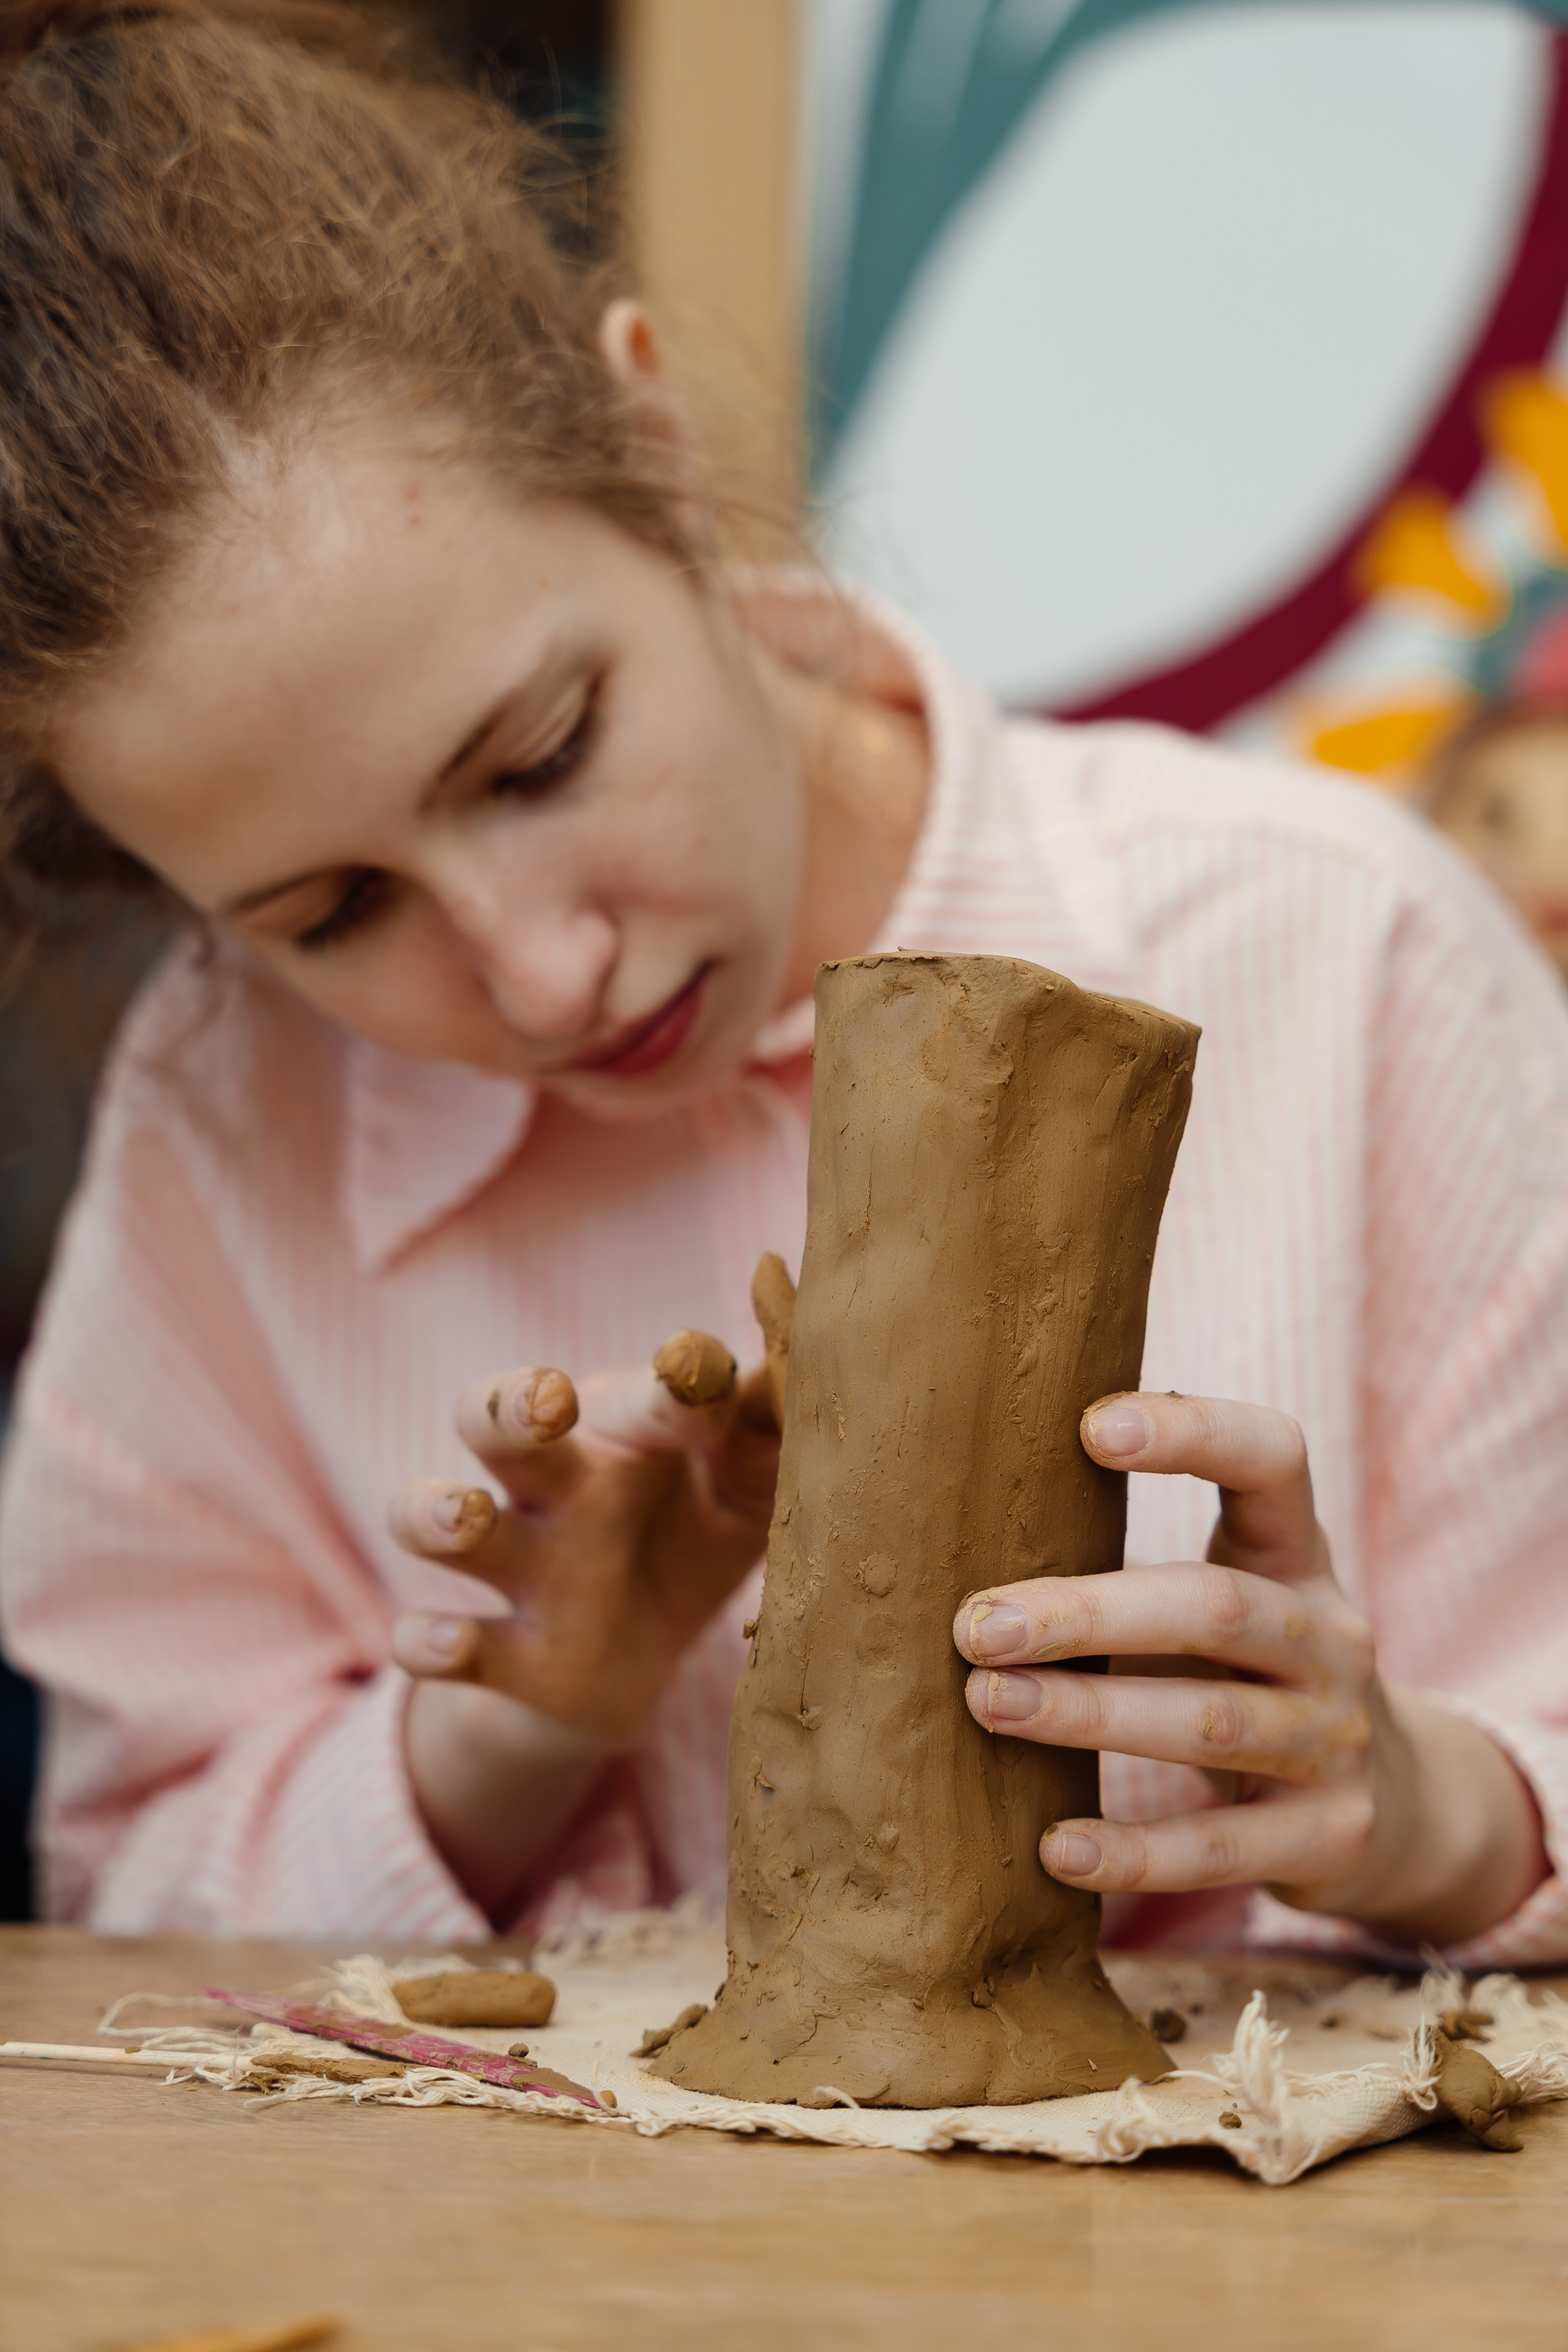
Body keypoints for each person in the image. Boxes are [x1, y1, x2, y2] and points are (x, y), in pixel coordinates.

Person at [1, 0, 1566, 1967]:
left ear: (658, 453)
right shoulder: (231, 1124)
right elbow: (105, 1918)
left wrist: (1415, 1802)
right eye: (329, 918)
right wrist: (502, 1731)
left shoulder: (1352, 959)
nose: (547, 970)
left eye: (545, 750)